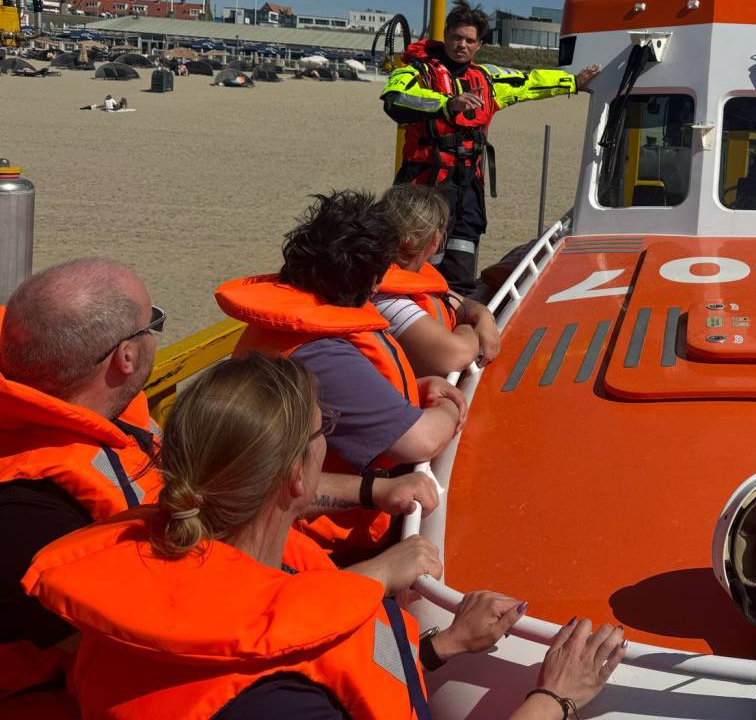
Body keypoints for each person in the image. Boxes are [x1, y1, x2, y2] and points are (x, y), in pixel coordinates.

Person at [23, 353, 625, 720]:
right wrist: (556, 698)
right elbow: (283, 677)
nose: (327, 441)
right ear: (295, 477)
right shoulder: (279, 697)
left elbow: (264, 646)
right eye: (322, 431)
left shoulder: (139, 586)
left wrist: (442, 647)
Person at [0, 264, 439, 715]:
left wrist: (368, 491)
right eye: (155, 323)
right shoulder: (30, 514)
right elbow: (178, 646)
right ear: (125, 358)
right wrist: (374, 580)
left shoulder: (77, 417)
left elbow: (234, 483)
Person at [217, 191, 468, 557]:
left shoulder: (290, 330)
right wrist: (449, 404)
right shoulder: (320, 352)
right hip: (313, 542)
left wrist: (413, 389)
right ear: (371, 281)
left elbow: (340, 403)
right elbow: (421, 441)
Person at [381, 0, 600, 291]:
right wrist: (447, 104)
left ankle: (452, 308)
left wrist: (572, 82)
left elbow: (528, 83)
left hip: (468, 185)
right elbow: (395, 100)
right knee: (416, 260)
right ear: (445, 36)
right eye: (457, 37)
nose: (462, 45)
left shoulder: (486, 79)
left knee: (462, 256)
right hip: (425, 183)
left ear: (479, 45)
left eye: (470, 40)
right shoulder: (416, 72)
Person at [373, 184, 503, 377]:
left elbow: (463, 304)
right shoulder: (386, 298)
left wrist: (482, 315)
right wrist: (466, 326)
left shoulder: (414, 275)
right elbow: (457, 355)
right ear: (435, 240)